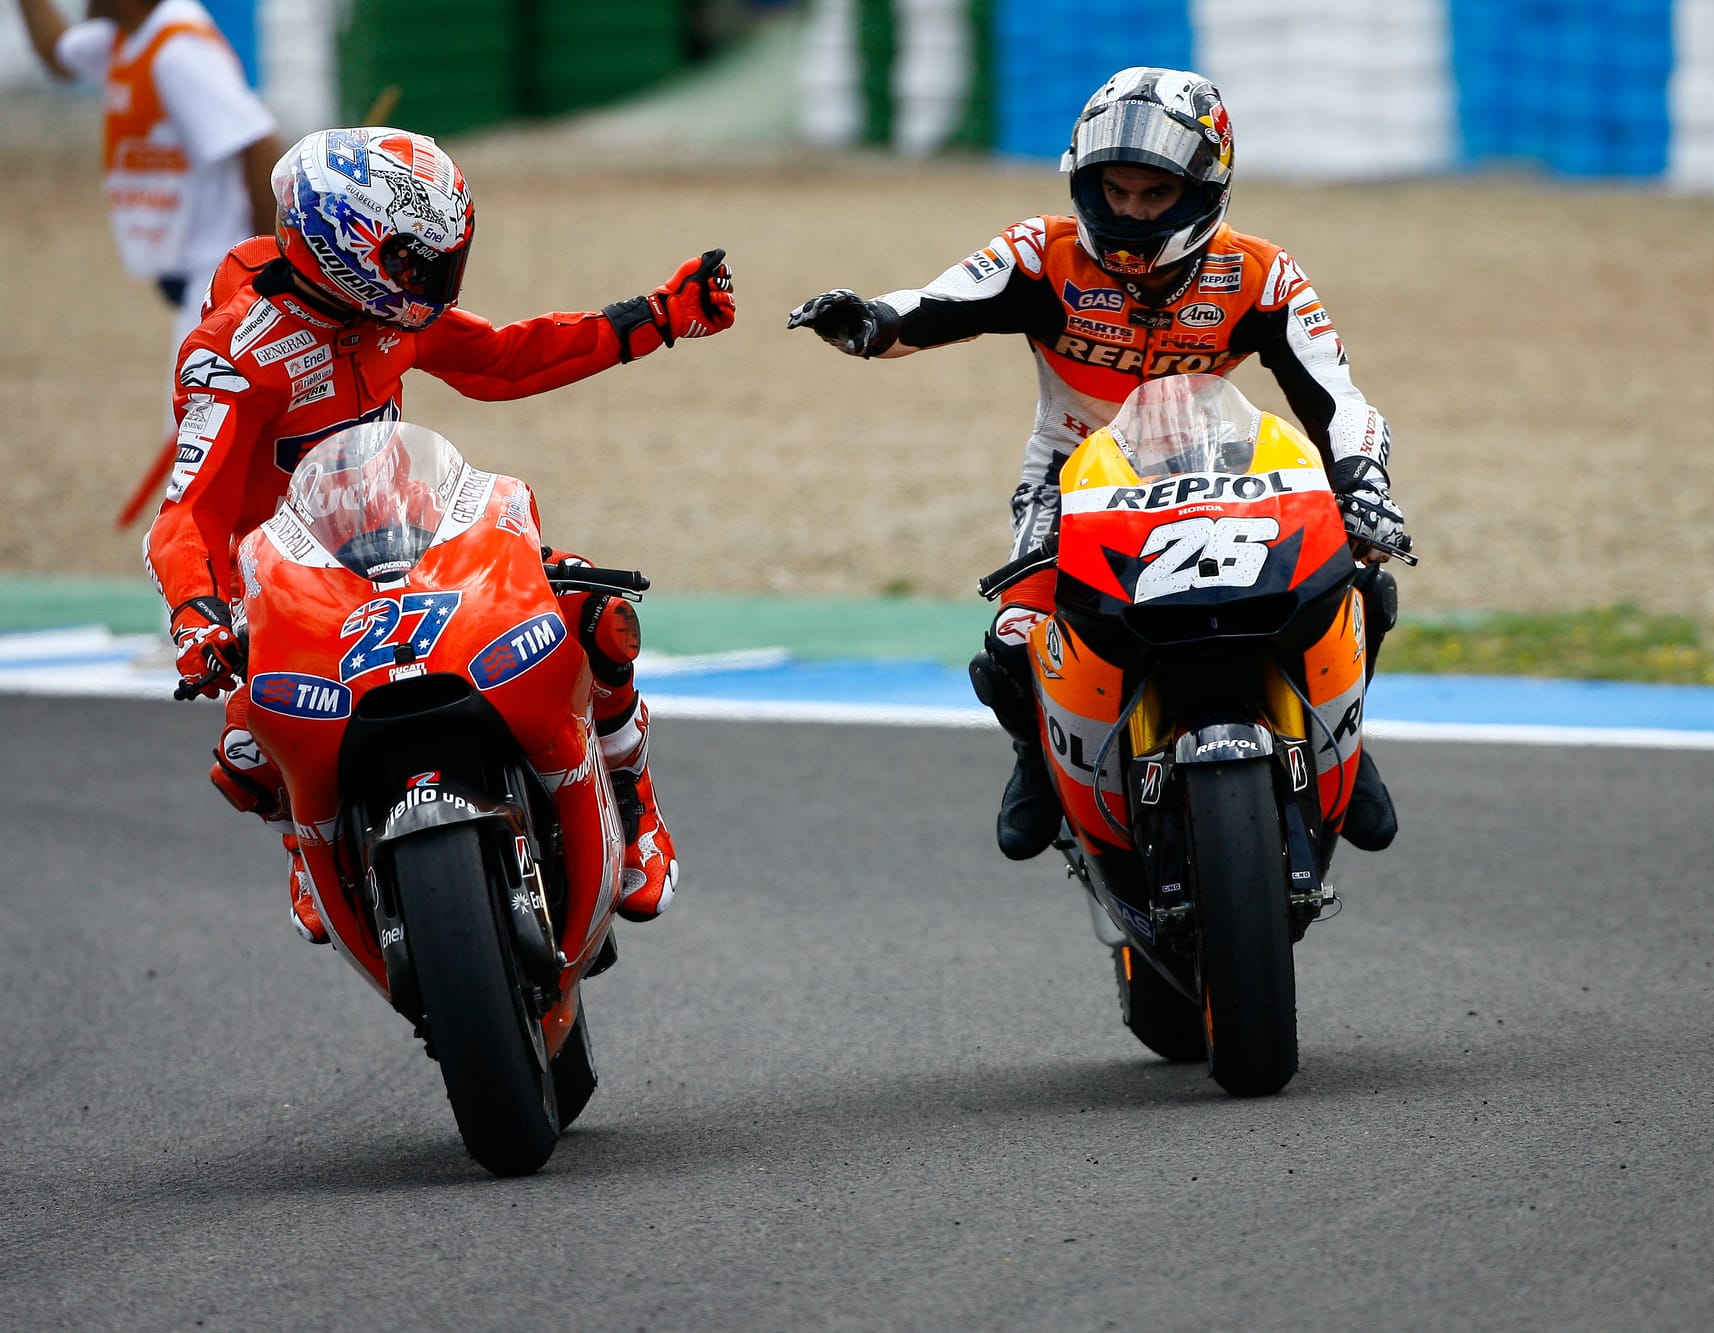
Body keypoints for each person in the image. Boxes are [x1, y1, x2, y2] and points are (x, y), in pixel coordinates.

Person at [788, 66, 1410, 862]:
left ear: (1205, 191)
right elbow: (935, 306)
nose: (1128, 213)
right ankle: (1037, 762)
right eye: (1113, 191)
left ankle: (1341, 748)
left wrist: (1363, 481)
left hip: (1226, 465)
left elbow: (1338, 397)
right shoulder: (1040, 254)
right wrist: (868, 321)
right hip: (1070, 475)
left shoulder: (1263, 274)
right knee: (1015, 640)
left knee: (1359, 581)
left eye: (1154, 196)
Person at [150, 125, 737, 942]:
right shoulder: (232, 357)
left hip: (409, 529)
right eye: (415, 261)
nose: (435, 280)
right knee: (248, 753)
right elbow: (188, 510)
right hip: (292, 585)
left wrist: (656, 318)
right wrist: (197, 615)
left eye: (442, 258)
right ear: (342, 244)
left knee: (589, 609)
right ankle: (305, 835)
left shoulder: (386, 307)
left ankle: (634, 806)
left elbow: (504, 359)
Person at [16, 0, 281, 357]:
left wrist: (271, 269)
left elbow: (258, 142)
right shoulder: (127, 35)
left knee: (199, 409)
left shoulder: (178, 50)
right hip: (200, 281)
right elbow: (57, 55)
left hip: (223, 280)